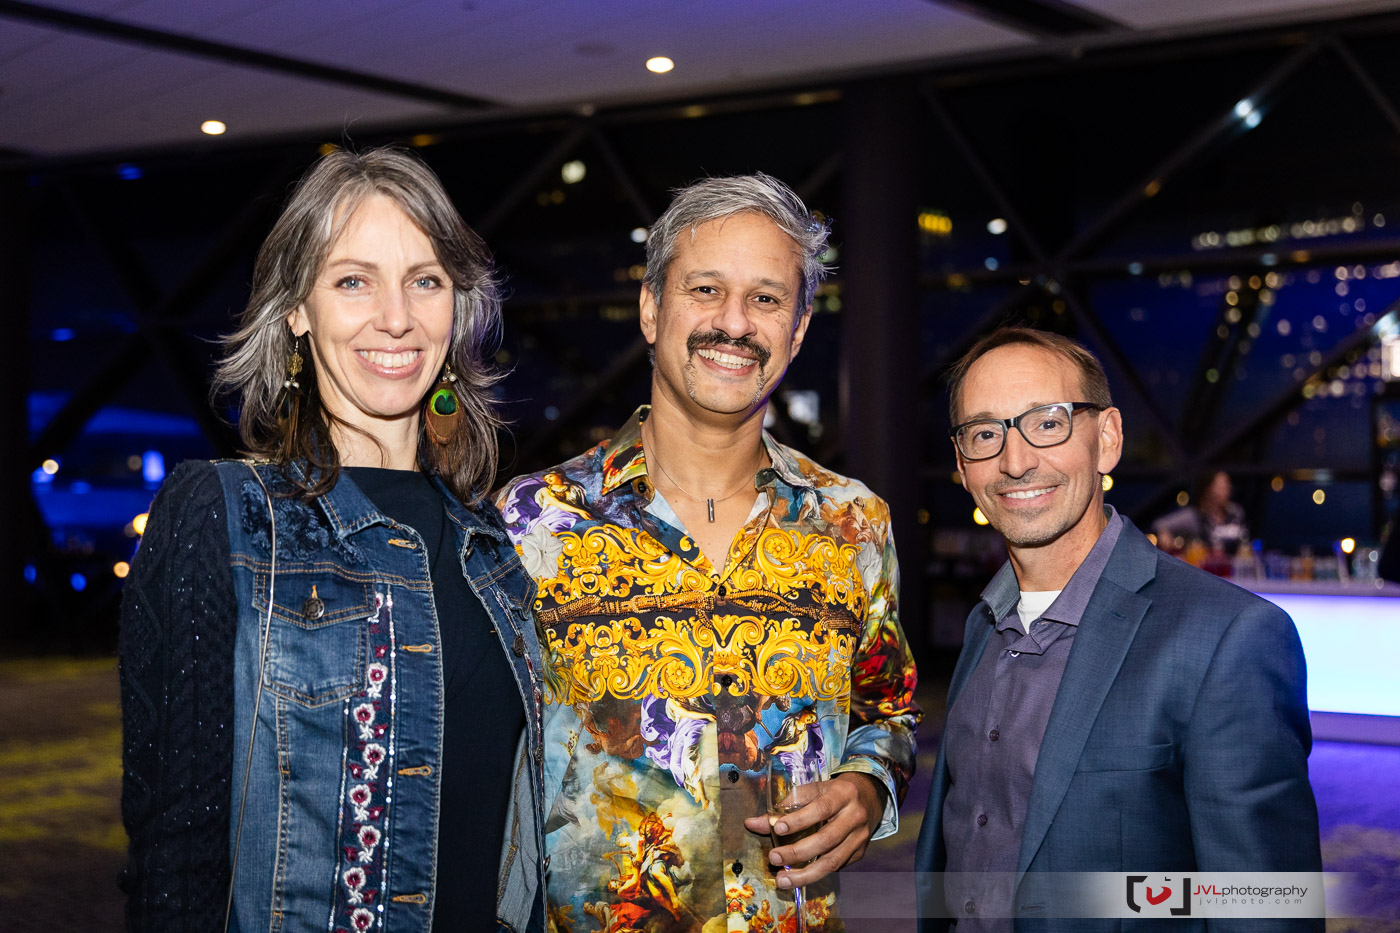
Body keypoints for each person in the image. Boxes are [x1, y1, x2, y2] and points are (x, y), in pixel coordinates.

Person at [119, 147, 545, 932]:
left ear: (457, 307)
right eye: (354, 281)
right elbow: (174, 859)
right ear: (297, 310)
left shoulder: (494, 547)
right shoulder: (226, 516)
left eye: (425, 280)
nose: (396, 316)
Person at [495, 174, 920, 929]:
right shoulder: (534, 524)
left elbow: (886, 710)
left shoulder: (853, 523)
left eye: (766, 298)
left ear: (797, 330)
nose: (734, 322)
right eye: (706, 290)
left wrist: (868, 786)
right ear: (651, 308)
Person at [914, 327, 1321, 931]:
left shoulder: (1227, 638)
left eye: (1047, 423)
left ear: (1106, 439)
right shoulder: (984, 626)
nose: (1015, 461)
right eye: (985, 434)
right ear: (962, 465)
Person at [1152, 468, 1250, 557]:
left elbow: (1245, 542)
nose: (1227, 490)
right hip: (1207, 567)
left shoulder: (1235, 512)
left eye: (1228, 486)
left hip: (1235, 567)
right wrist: (1164, 534)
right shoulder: (1194, 516)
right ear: (1208, 489)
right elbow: (1159, 524)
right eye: (1221, 487)